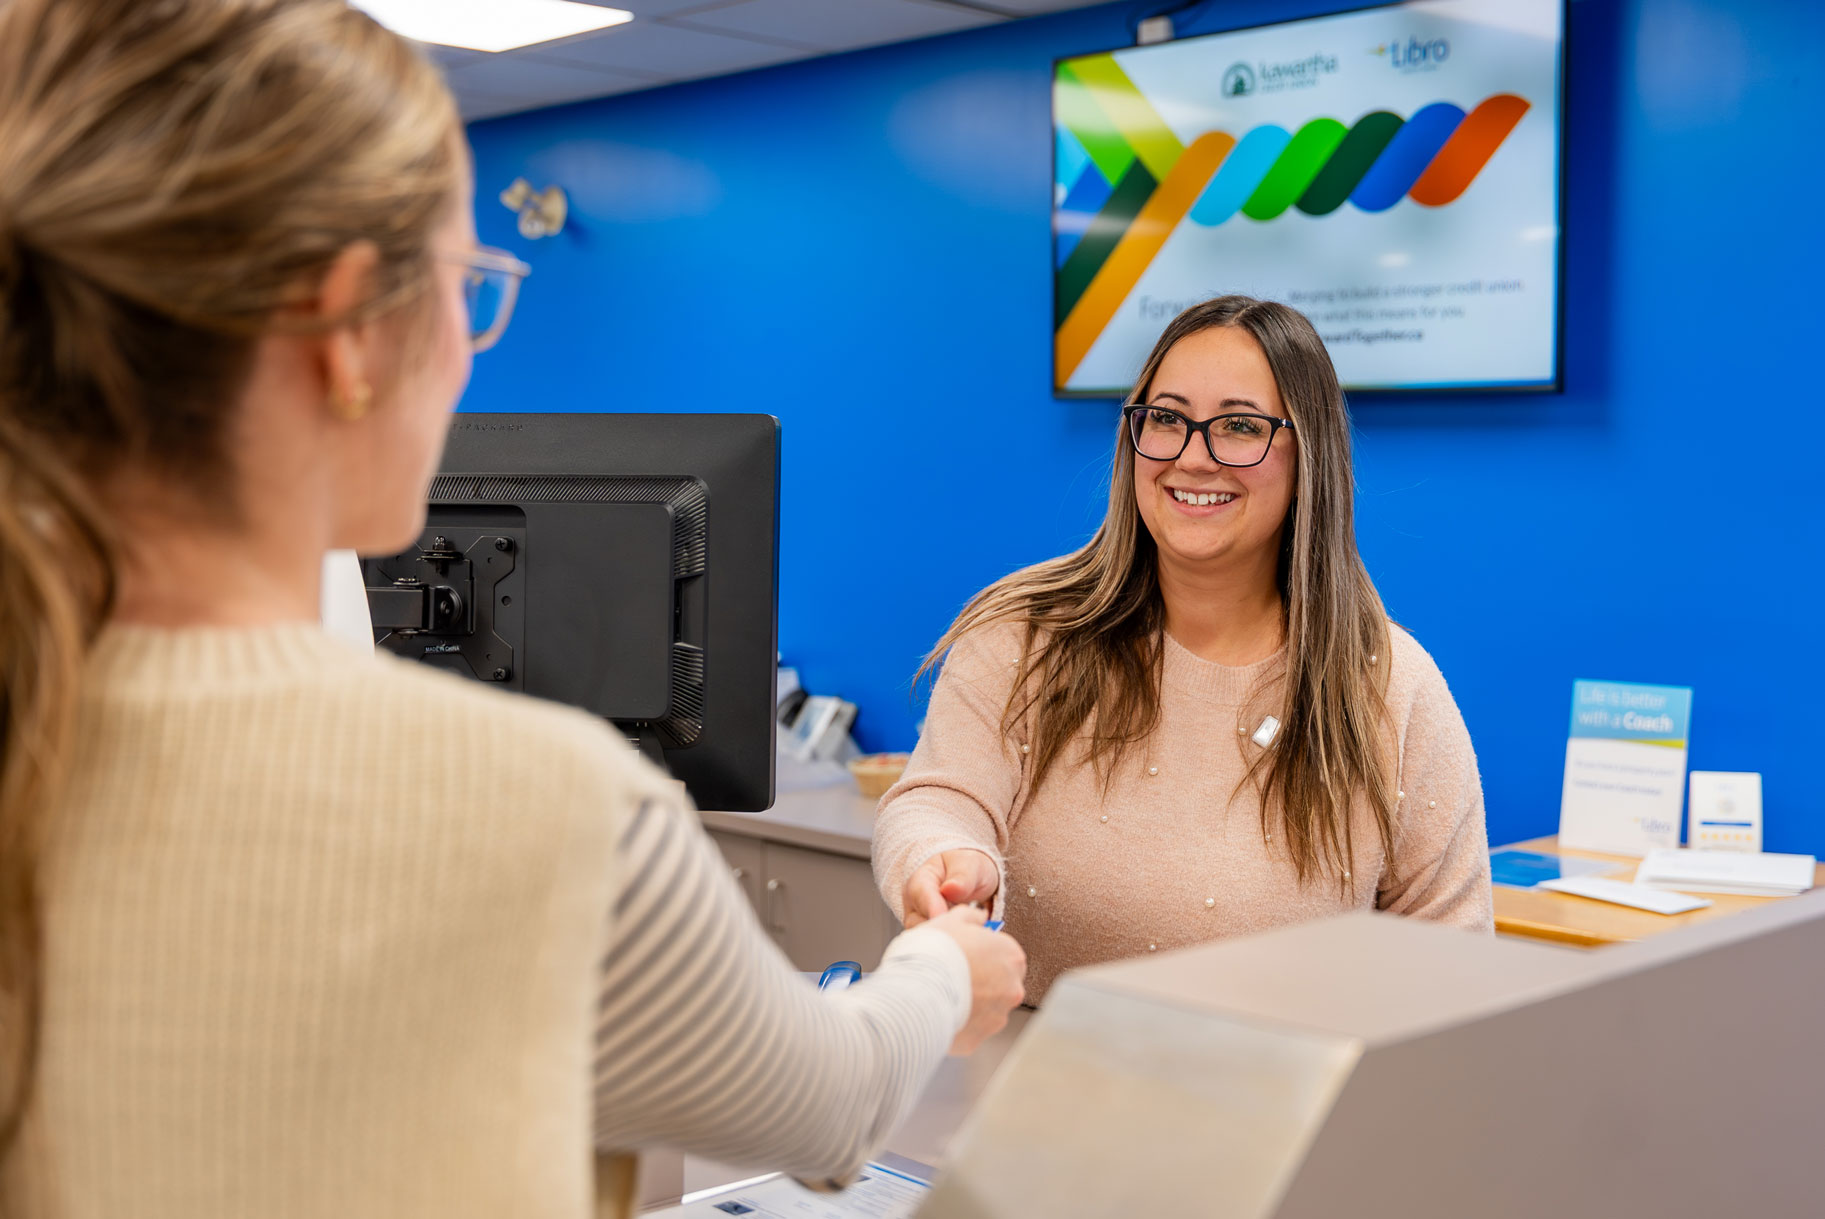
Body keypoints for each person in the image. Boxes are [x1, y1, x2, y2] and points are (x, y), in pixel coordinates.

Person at [0, 1, 1024, 1215]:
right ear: (348, 335)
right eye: (464, 285)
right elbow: (828, 1104)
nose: (472, 343)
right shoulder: (543, 809)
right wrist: (939, 976)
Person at [873, 296, 1492, 1002]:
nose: (1193, 457)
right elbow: (936, 801)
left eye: (1238, 426)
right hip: (1027, 1093)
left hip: (1284, 1105)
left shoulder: (1386, 681)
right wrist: (941, 859)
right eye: (1164, 418)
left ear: (1308, 452)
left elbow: (1451, 967)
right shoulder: (1024, 632)